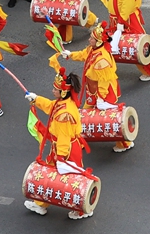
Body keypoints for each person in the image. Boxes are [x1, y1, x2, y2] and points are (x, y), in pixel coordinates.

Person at [22, 69, 89, 219]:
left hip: (66, 150)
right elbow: (51, 106)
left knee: (72, 180)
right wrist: (36, 99)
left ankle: (81, 210)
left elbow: (64, 138)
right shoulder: (63, 103)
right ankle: (40, 204)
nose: (52, 91)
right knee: (49, 175)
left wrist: (61, 157)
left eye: (55, 89)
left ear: (64, 92)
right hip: (60, 148)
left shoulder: (65, 115)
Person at [58, 23, 133, 152]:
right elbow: (83, 55)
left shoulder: (102, 59)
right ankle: (80, 140)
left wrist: (101, 99)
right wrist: (70, 55)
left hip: (103, 93)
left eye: (91, 38)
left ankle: (124, 143)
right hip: (92, 90)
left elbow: (103, 82)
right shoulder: (93, 49)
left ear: (98, 41)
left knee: (109, 119)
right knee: (84, 115)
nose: (89, 40)